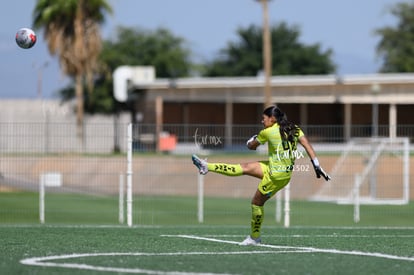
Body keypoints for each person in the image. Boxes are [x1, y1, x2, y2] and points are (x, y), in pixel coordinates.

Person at [192, 105, 330, 246]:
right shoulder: (294, 128)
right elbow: (307, 145)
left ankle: (254, 237)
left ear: (272, 118)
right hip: (278, 169)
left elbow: (251, 146)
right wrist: (316, 165)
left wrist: (251, 140)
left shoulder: (268, 132)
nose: (262, 121)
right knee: (245, 167)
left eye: (264, 118)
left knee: (256, 203)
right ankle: (206, 166)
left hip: (275, 177)